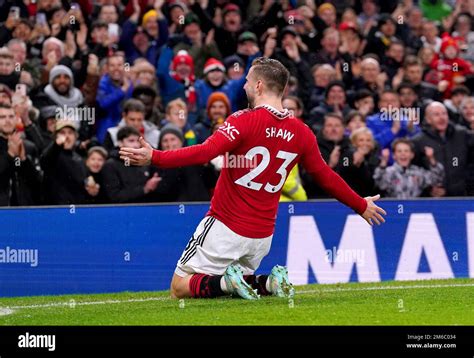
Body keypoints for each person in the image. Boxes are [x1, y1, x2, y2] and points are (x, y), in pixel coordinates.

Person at [119, 57, 386, 301]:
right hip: (262, 235)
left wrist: (155, 157)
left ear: (258, 85)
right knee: (233, 286)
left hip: (226, 225)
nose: (244, 86)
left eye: (246, 81)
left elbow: (205, 152)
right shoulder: (302, 132)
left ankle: (229, 283)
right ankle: (268, 282)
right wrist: (360, 205)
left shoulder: (243, 120)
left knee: (179, 287)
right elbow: (326, 177)